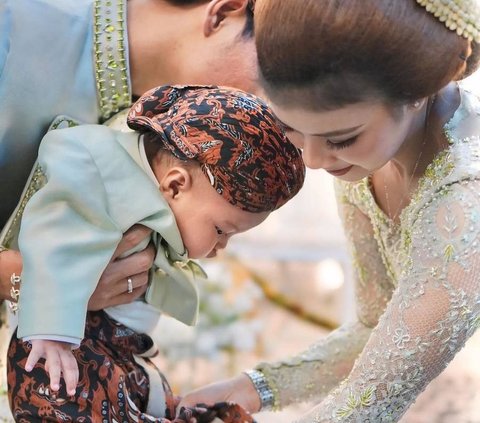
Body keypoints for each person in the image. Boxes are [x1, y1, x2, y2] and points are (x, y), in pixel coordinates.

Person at [179, 0, 480, 421]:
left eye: (340, 138)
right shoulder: (366, 158)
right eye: (292, 130)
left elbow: (371, 401)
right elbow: (374, 326)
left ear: (415, 95)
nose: (315, 159)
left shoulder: (466, 201)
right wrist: (253, 387)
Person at [6, 84, 305, 421]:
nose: (219, 248)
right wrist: (51, 332)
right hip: (62, 341)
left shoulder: (155, 197)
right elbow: (52, 236)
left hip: (119, 348)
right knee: (66, 396)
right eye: (221, 231)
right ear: (175, 186)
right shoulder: (99, 174)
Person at [0, 0, 257, 313]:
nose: (264, 116)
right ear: (224, 12)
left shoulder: (159, 147)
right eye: (268, 82)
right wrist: (31, 281)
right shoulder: (14, 24)